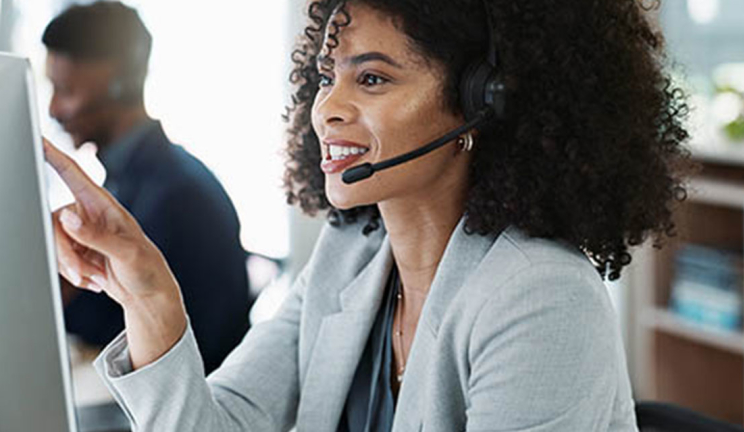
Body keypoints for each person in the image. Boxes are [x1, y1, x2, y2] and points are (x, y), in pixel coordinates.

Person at [44, 0, 694, 429]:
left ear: (483, 104)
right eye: (329, 76)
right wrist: (149, 294)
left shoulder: (539, 296)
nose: (326, 108)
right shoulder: (350, 254)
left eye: (373, 79)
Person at [42, 1, 251, 374]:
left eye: (67, 90)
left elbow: (124, 325)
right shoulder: (129, 180)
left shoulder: (176, 195)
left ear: (119, 84)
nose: (54, 109)